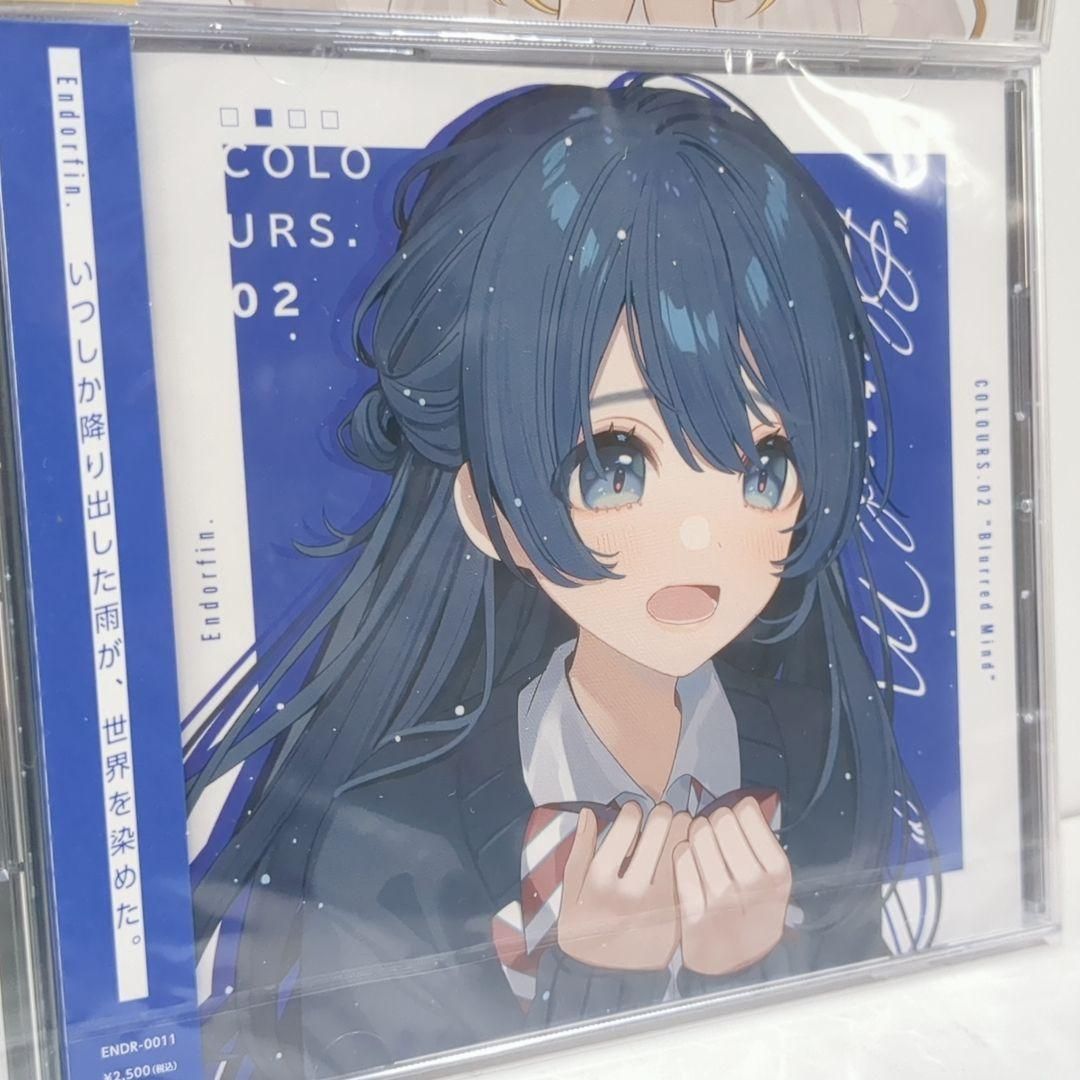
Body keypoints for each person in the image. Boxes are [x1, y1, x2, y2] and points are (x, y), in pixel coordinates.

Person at [188, 74, 934, 1079]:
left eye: (765, 465)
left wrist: (749, 968)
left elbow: (873, 1031)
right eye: (616, 462)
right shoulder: (395, 824)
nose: (700, 539)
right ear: (483, 506)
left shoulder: (813, 756)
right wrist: (597, 980)